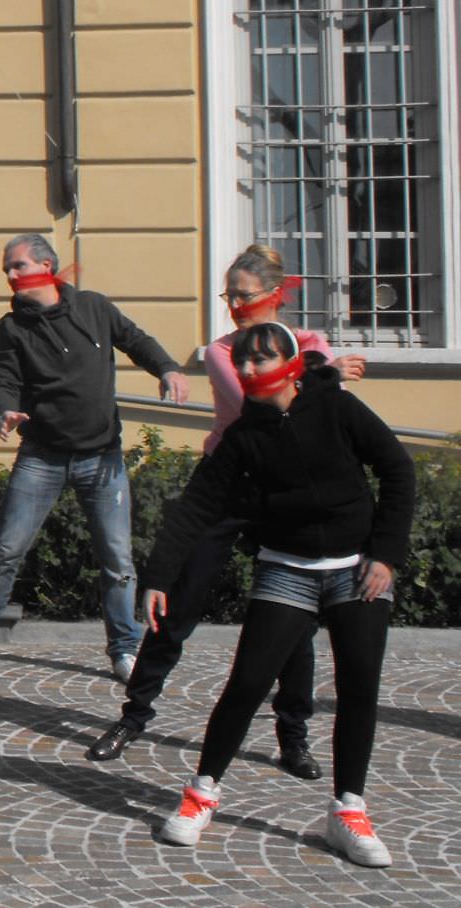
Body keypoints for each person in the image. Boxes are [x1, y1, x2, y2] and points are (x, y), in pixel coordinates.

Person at [146, 321, 412, 869]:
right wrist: (158, 576)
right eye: (241, 361)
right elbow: (198, 505)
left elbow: (397, 468)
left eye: (259, 360)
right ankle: (200, 795)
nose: (246, 370)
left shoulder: (337, 407)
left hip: (356, 569)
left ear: (290, 364)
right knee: (246, 684)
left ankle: (348, 812)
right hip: (286, 568)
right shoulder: (245, 433)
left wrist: (385, 554)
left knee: (359, 688)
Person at [88, 244, 362, 770]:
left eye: (245, 295)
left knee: (295, 619)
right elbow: (260, 405)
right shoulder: (222, 353)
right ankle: (133, 716)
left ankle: (293, 734)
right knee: (177, 605)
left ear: (276, 296)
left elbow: (307, 412)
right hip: (228, 482)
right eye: (229, 296)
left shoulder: (311, 344)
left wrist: (316, 375)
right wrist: (325, 375)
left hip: (285, 491)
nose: (235, 306)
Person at [0, 234, 189, 679]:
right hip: (41, 456)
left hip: (101, 458)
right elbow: (5, 377)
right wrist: (4, 409)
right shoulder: (11, 328)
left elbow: (136, 340)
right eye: (6, 268)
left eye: (18, 265)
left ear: (47, 265)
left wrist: (167, 368)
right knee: (8, 548)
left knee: (117, 558)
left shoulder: (94, 307)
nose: (10, 275)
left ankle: (125, 648)